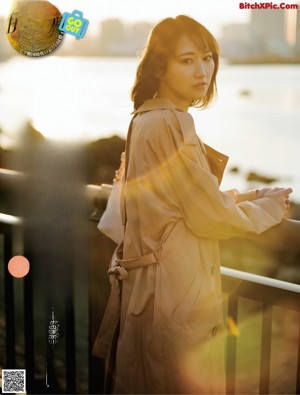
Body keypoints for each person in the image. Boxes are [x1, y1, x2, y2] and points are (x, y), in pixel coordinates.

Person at [93, 15, 292, 394]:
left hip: (151, 293)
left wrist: (253, 196)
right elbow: (209, 215)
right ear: (160, 66)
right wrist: (270, 209)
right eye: (187, 60)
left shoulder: (146, 117)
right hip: (172, 294)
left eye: (206, 57)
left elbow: (188, 199)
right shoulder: (170, 123)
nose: (202, 71)